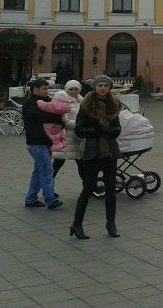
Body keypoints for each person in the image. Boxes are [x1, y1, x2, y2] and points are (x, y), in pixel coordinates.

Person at [70, 75, 122, 239]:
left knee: (111, 190)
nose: (103, 88)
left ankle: (111, 224)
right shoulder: (87, 104)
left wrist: (111, 131)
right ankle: (77, 225)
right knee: (88, 188)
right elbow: (79, 129)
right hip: (92, 152)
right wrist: (97, 131)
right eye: (100, 85)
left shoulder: (114, 104)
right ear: (95, 87)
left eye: (106, 85)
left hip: (110, 152)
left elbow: (117, 127)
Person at [22, 78, 64, 209]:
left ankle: (31, 199)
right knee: (46, 169)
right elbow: (43, 116)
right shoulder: (29, 103)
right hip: (36, 142)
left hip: (46, 141)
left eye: (47, 89)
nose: (47, 91)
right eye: (44, 89)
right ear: (35, 89)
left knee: (39, 171)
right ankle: (50, 199)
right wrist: (59, 119)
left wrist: (60, 122)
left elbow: (60, 114)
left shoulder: (48, 101)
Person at [52, 80, 84, 181]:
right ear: (67, 90)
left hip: (77, 138)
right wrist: (79, 125)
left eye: (76, 89)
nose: (74, 91)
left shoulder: (82, 101)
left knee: (82, 164)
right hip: (65, 138)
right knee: (58, 162)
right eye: (71, 89)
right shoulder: (63, 101)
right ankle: (47, 185)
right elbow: (64, 120)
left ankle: (88, 186)